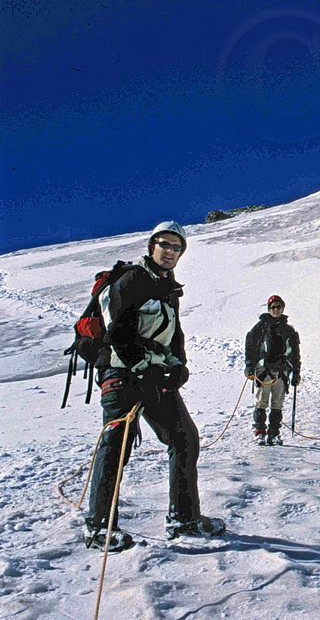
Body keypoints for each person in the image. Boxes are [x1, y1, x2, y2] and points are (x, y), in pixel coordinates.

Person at [84, 221, 225, 551]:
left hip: (154, 376)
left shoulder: (168, 289)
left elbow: (174, 336)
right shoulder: (133, 278)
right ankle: (99, 527)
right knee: (117, 442)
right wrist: (141, 367)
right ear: (152, 246)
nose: (170, 252)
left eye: (177, 248)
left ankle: (184, 519)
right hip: (121, 374)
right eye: (164, 245)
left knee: (184, 437)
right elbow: (118, 330)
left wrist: (178, 367)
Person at [244, 295, 301, 446]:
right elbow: (250, 344)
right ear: (269, 309)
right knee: (261, 402)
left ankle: (274, 433)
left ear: (282, 308)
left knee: (277, 404)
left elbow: (295, 352)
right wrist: (249, 365)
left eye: (278, 307)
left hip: (281, 372)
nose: (276, 310)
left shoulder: (288, 330)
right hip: (264, 370)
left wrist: (296, 372)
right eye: (273, 307)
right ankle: (260, 432)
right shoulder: (261, 327)